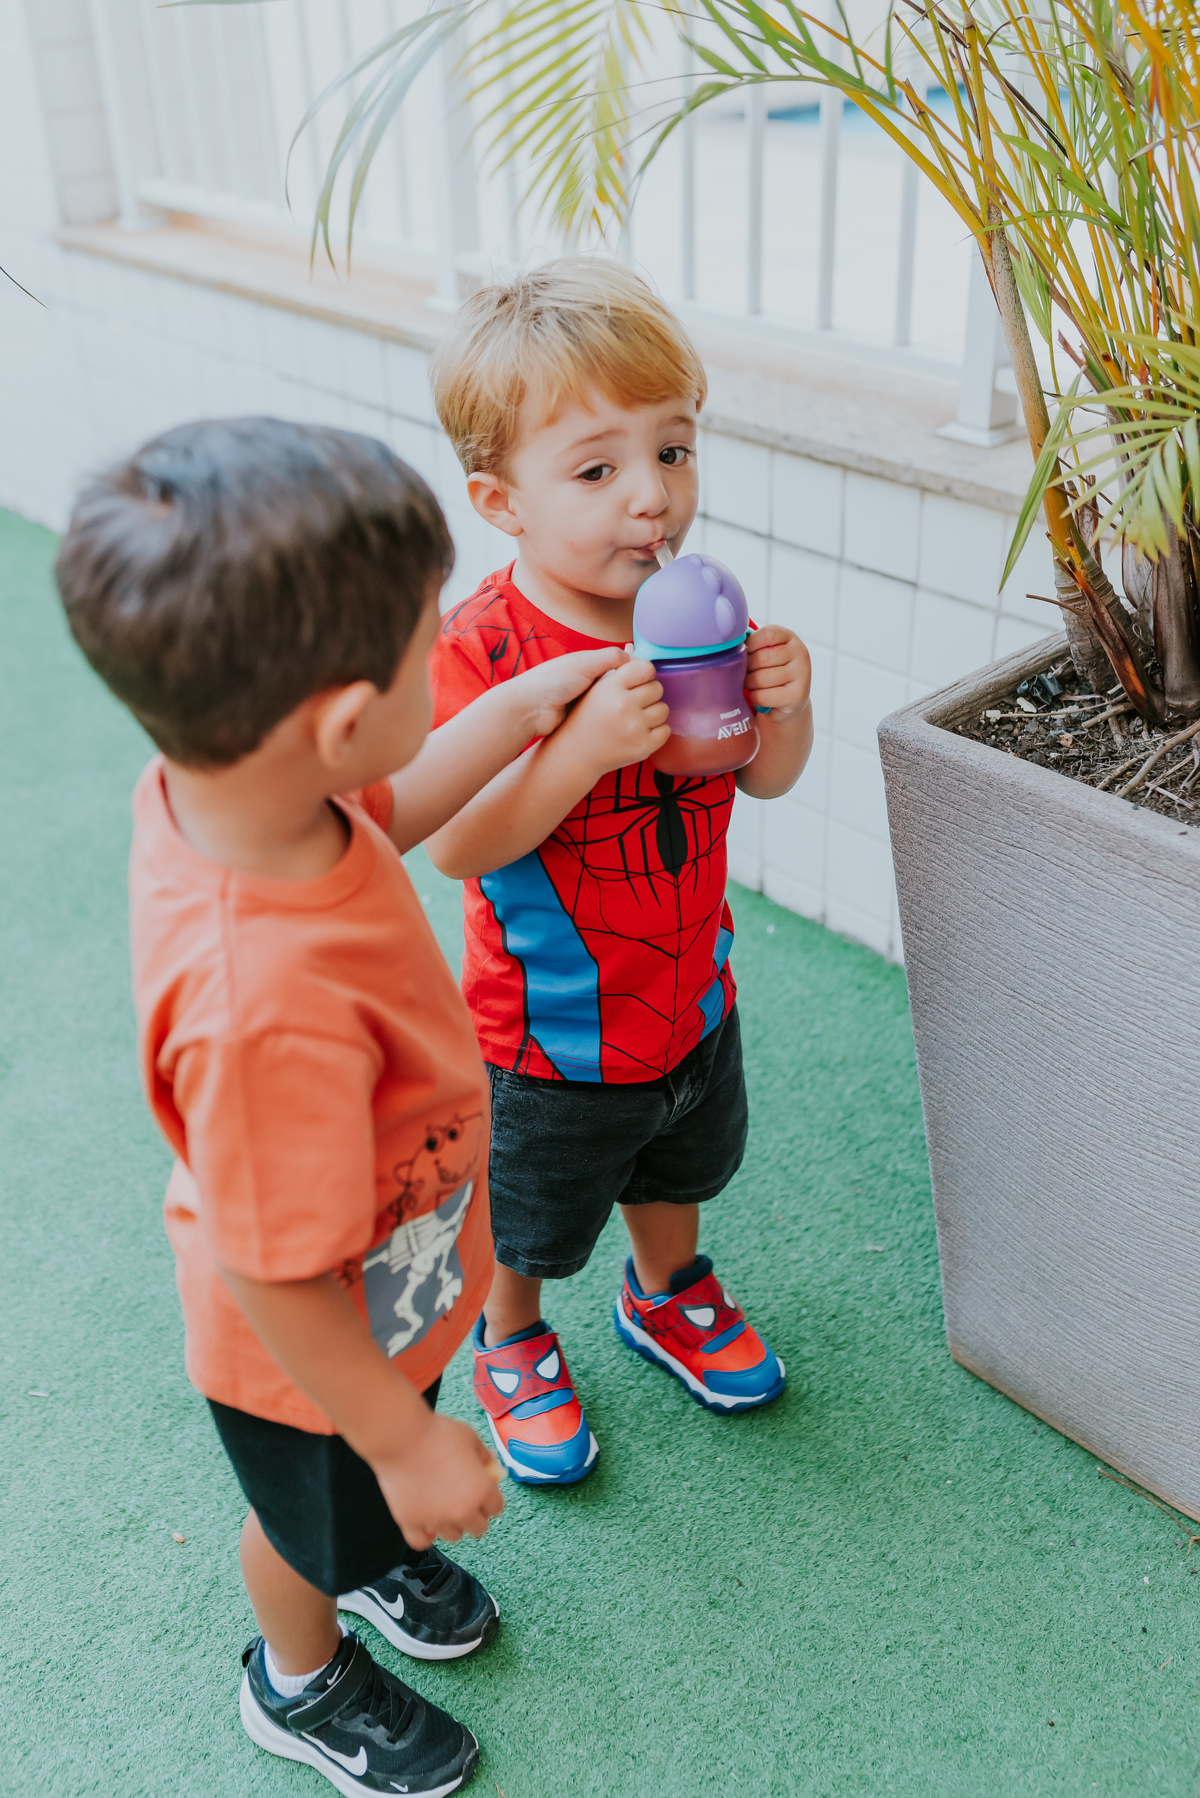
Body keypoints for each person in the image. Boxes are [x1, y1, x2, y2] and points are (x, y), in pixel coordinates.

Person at [55, 417, 631, 1796]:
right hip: (311, 1348)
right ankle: (300, 1671)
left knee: (359, 1505)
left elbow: (397, 806)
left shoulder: (246, 790)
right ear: (331, 721)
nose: (450, 656)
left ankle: (372, 1547)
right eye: (426, 646)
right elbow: (272, 1263)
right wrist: (400, 1433)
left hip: (395, 1267)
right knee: (303, 1520)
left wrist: (520, 704)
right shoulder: (266, 1005)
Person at [425, 260, 814, 1487]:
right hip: (547, 1034)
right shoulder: (483, 642)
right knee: (529, 1212)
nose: (653, 498)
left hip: (691, 993)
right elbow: (457, 839)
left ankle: (664, 1294)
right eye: (597, 470)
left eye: (676, 450)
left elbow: (759, 780)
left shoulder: (696, 606)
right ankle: (514, 1337)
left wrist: (787, 711)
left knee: (680, 1163)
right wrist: (584, 748)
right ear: (502, 499)